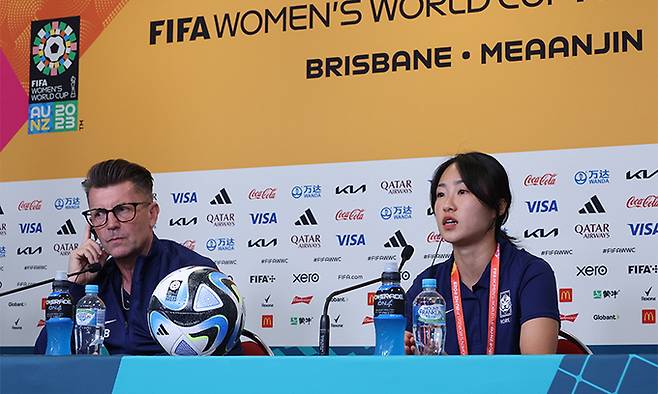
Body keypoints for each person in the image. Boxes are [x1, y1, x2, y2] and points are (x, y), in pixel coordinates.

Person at [35, 159, 240, 355]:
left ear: (152, 214)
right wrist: (76, 285)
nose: (111, 224)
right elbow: (46, 358)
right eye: (99, 214)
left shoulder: (194, 274)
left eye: (122, 209)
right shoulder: (94, 284)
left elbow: (226, 365)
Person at [405, 152, 559, 355]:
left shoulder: (531, 273)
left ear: (499, 207)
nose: (447, 205)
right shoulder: (427, 286)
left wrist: (453, 371)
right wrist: (404, 353)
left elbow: (537, 371)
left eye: (463, 192)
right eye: (440, 194)